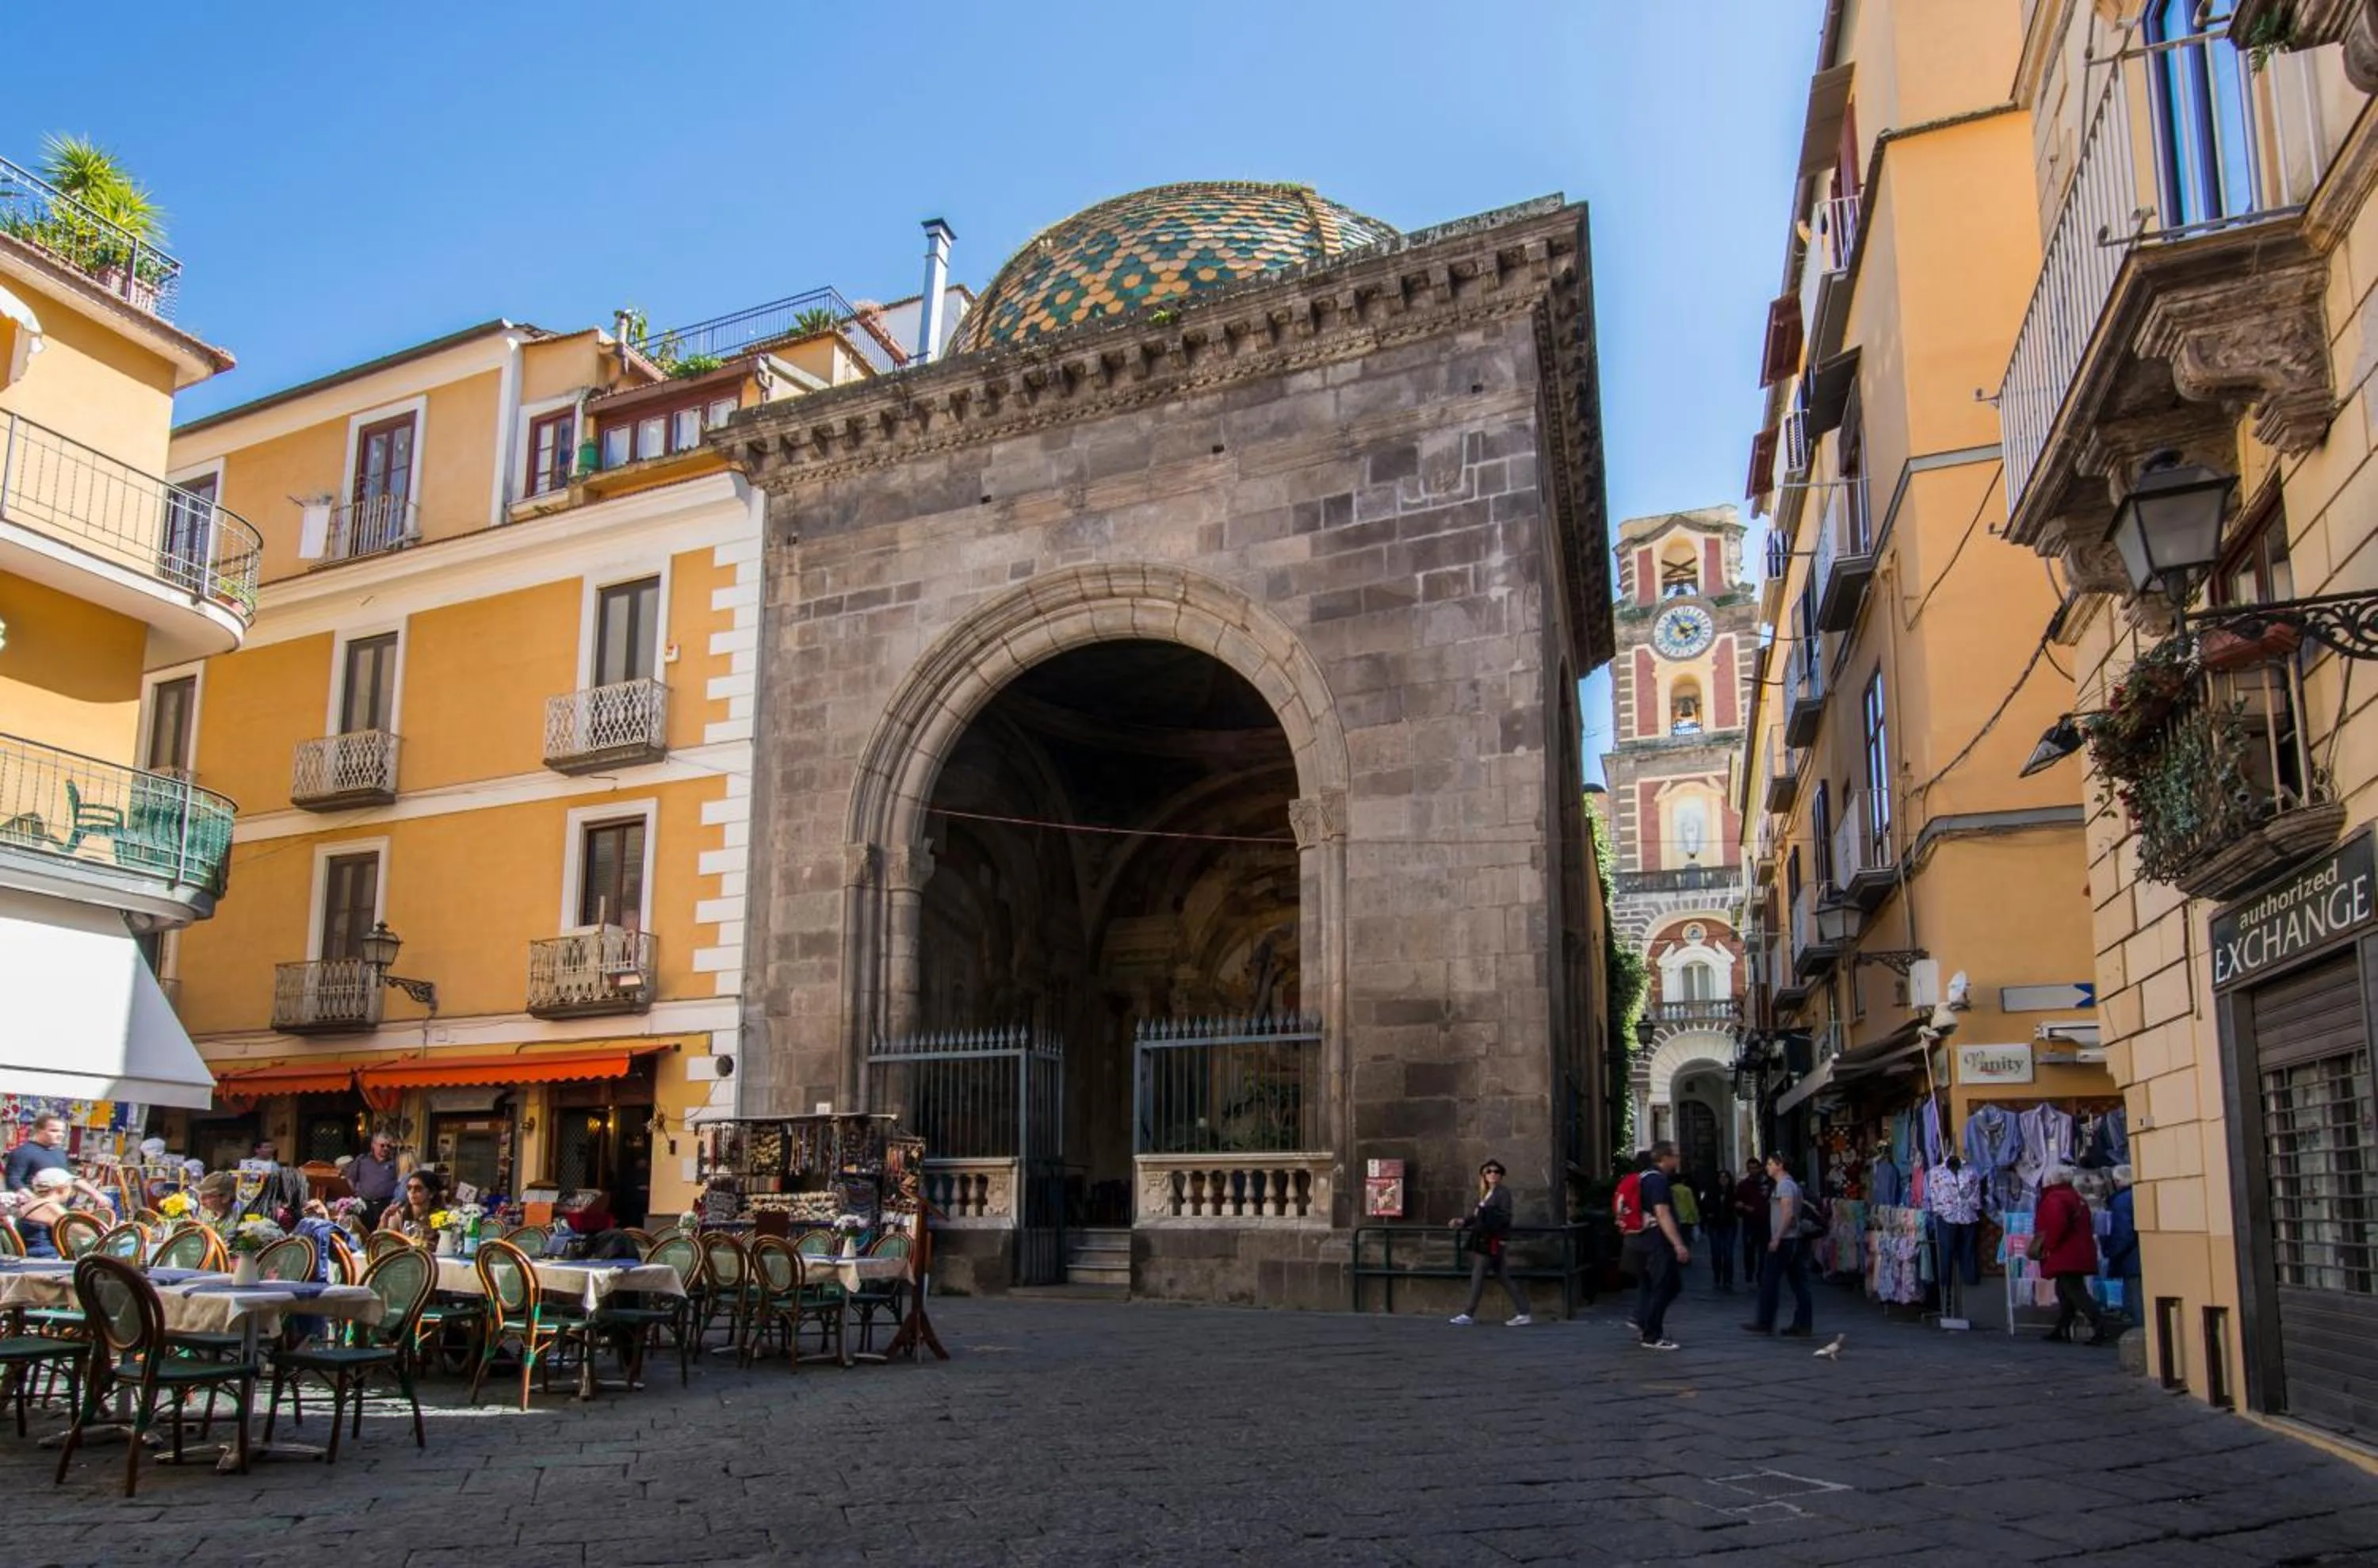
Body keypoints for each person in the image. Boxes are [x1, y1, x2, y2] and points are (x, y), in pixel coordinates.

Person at [1447, 1160, 1531, 1326]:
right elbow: (1479, 1216)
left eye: (1496, 1171)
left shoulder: (1502, 1193)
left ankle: (1468, 1314)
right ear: (1484, 1176)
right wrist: (1463, 1221)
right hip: (1486, 1240)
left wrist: (1501, 1238)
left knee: (1478, 1275)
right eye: (1489, 1171)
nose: (1493, 1174)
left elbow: (1504, 1217)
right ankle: (1524, 1312)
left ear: (1501, 1176)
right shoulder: (1487, 1194)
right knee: (1504, 1277)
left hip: (1491, 1241)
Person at [2036, 1166, 2112, 1345]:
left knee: (2076, 1293)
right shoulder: (2076, 1197)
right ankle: (2062, 1328)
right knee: (2065, 1291)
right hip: (2077, 1251)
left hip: (2065, 1252)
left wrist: (2048, 1245)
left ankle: (2100, 1327)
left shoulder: (2056, 1198)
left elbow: (2057, 1224)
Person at [1626, 1142, 1689, 1351]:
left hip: (1637, 1242)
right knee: (1667, 1286)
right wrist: (1678, 1244)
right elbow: (1662, 1213)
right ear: (1665, 1158)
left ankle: (1641, 1320)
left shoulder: (1643, 1178)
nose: (1678, 1160)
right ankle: (1651, 1334)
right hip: (1655, 1243)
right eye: (1676, 1155)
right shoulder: (1658, 1181)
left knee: (1650, 1286)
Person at [1745, 1152, 1814, 1338]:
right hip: (1793, 1239)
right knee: (1799, 1283)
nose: (1767, 1167)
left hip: (1786, 1240)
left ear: (1779, 1165)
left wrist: (1777, 1238)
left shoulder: (1785, 1186)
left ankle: (1765, 1321)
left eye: (1769, 1164)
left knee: (1769, 1281)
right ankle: (1803, 1324)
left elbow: (1788, 1213)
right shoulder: (1790, 1185)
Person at [6, 1114, 110, 1208]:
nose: (60, 1134)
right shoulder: (23, 1152)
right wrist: (35, 1201)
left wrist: (97, 1195)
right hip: (32, 1213)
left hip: (58, 1209)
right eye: (54, 1131)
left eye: (62, 1131)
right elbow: (13, 1181)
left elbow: (70, 1178)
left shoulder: (59, 1152)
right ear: (39, 1130)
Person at [2105, 1165, 2141, 1327]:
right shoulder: (2138, 1194)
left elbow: (2122, 1232)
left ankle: (2139, 1335)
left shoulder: (2121, 1201)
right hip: (2141, 1255)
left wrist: (2111, 1252)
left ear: (2118, 1181)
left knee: (2135, 1299)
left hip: (2131, 1257)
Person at [16, 1167, 76, 1256]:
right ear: (61, 1188)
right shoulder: (50, 1207)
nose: (71, 1190)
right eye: (70, 1187)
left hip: (31, 1254)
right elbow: (78, 1230)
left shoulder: (30, 1204)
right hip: (47, 1257)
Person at [348, 1130, 402, 1229]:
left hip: (385, 1206)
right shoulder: (362, 1160)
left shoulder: (396, 1163)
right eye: (382, 1145)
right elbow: (351, 1179)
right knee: (363, 1234)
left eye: (388, 1146)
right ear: (373, 1145)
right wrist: (356, 1193)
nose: (386, 1148)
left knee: (382, 1235)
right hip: (364, 1205)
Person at [1696, 1168, 1738, 1292]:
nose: (1724, 1180)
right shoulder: (1712, 1192)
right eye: (1721, 1177)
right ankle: (1717, 1278)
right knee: (1716, 1253)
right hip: (1715, 1225)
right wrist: (1708, 1215)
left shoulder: (1734, 1193)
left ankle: (1728, 1280)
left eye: (1726, 1178)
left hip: (1729, 1225)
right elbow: (1703, 1207)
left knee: (1728, 1253)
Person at [1734, 1157, 1769, 1287]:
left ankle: (1761, 1275)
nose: (1753, 1171)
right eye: (1750, 1168)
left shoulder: (1767, 1184)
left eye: (1755, 1168)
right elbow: (1737, 1201)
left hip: (1765, 1222)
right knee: (1749, 1250)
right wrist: (1743, 1207)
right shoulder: (1743, 1185)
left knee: (1764, 1251)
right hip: (1749, 1222)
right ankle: (1749, 1272)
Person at [380, 1169, 444, 1239]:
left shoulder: (439, 1215)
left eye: (418, 1188)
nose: (412, 1192)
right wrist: (385, 1219)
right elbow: (384, 1241)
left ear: (431, 1193)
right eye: (409, 1188)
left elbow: (444, 1243)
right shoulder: (399, 1214)